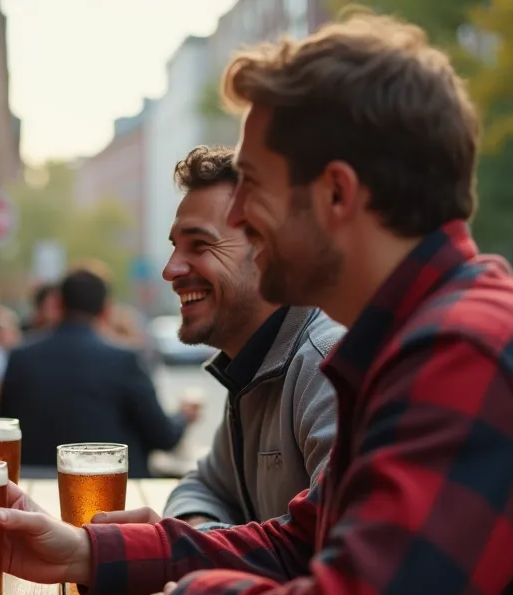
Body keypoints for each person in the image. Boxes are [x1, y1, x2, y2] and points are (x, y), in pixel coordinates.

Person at [0, 13, 513, 595]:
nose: (241, 215)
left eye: (252, 183)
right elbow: (297, 544)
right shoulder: (417, 337)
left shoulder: (464, 351)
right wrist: (83, 552)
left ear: (336, 192)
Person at [96, 146, 344, 530]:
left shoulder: (327, 366)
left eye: (200, 245)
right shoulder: (252, 365)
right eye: (174, 246)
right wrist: (201, 535)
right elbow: (202, 485)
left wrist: (186, 554)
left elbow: (324, 555)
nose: (170, 269)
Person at [0, 268, 200, 478]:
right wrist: (184, 415)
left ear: (58, 303)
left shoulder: (20, 357)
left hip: (32, 488)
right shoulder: (125, 360)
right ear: (106, 309)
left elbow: (5, 426)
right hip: (111, 494)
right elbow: (163, 437)